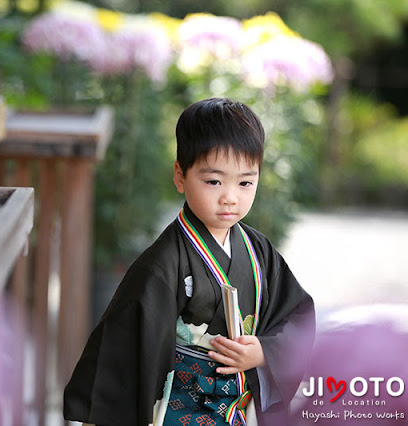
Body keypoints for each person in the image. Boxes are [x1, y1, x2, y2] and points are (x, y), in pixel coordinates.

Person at [63, 98, 315, 426]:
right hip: (179, 410)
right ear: (180, 176)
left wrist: (264, 351)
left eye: (245, 182)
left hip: (238, 409)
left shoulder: (258, 251)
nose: (230, 196)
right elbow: (125, 348)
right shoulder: (163, 262)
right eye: (214, 181)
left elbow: (297, 316)